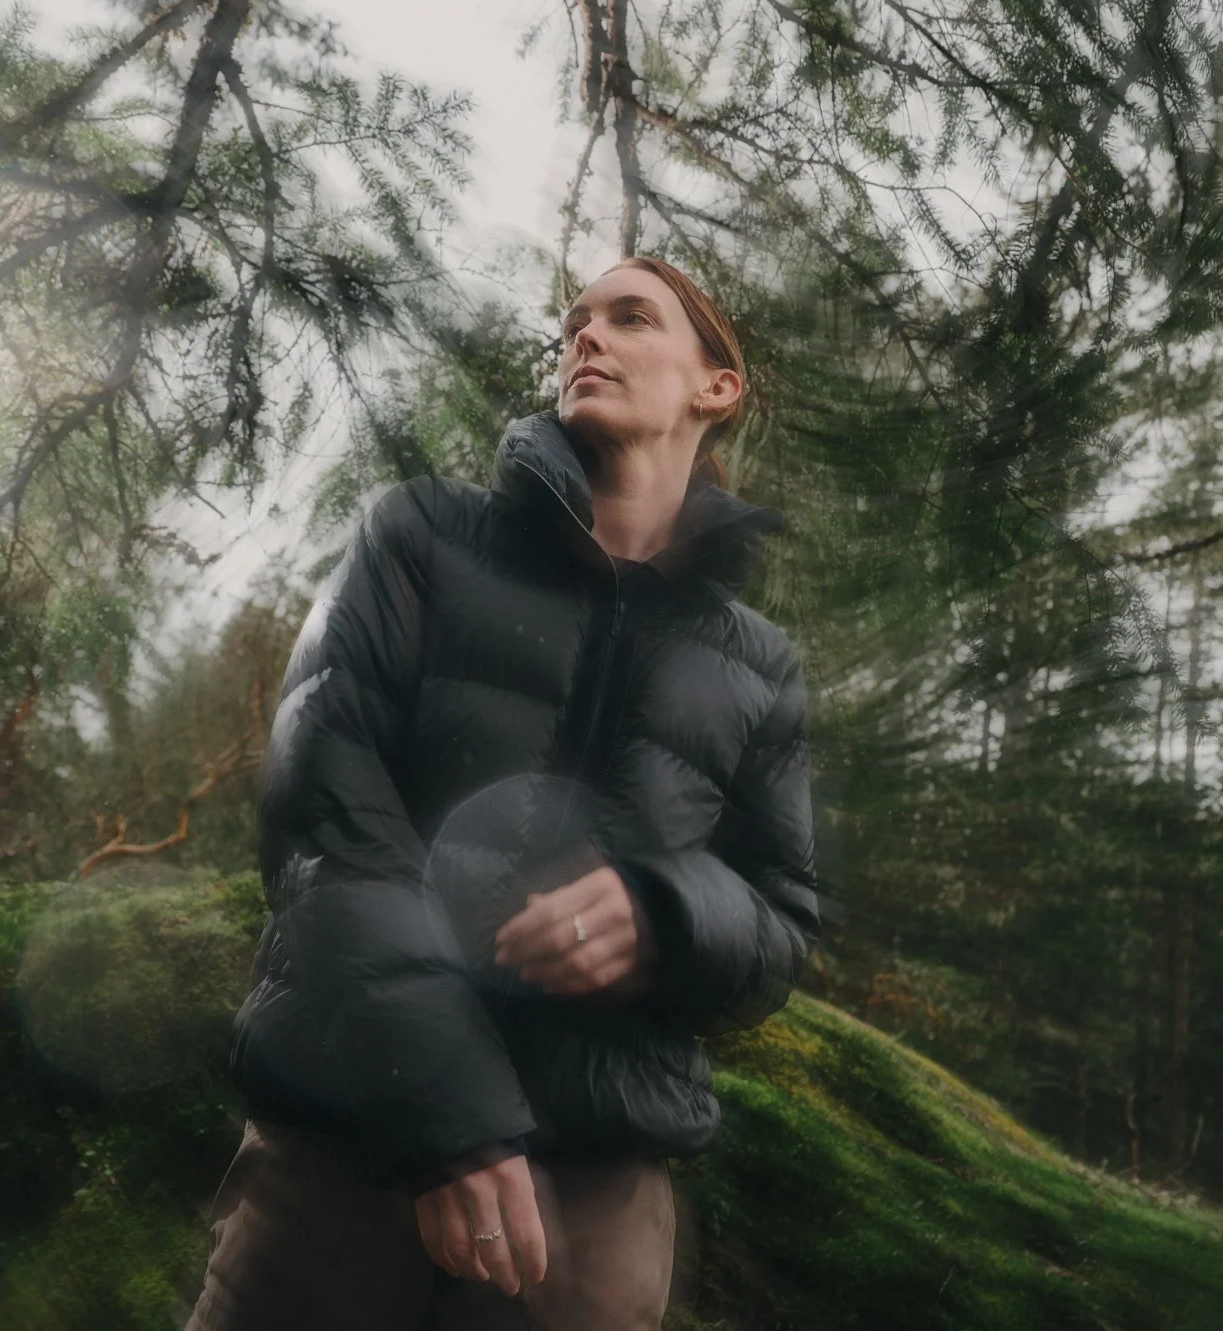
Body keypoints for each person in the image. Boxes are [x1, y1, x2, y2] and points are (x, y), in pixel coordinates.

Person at [184, 256, 820, 1331]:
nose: (586, 336)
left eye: (629, 317)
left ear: (717, 387)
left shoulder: (757, 661)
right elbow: (321, 810)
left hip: (592, 1194)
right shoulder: (422, 536)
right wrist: (452, 1115)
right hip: (352, 1132)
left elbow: (781, 918)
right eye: (574, 320)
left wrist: (666, 912)